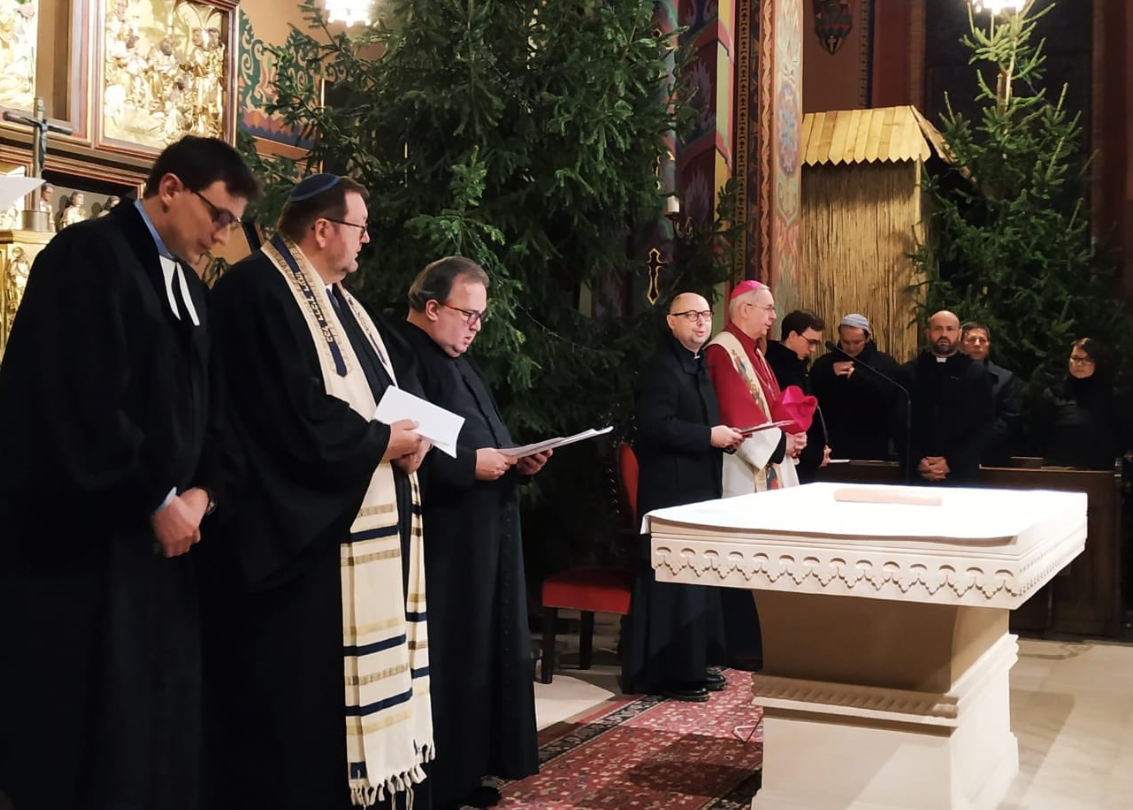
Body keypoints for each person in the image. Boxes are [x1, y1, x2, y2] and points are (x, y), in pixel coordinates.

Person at [0, 135, 258, 810]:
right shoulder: (86, 258)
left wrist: (203, 493)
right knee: (94, 739)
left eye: (231, 224)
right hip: (90, 554)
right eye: (218, 216)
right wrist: (153, 497)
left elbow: (215, 412)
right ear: (170, 189)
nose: (222, 237)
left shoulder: (189, 287)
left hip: (167, 550)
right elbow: (72, 402)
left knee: (156, 734)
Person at [198, 174, 432, 810]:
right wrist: (377, 442)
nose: (366, 241)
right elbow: (285, 413)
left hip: (345, 520)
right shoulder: (257, 290)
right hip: (295, 537)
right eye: (360, 228)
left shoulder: (343, 303)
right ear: (322, 229)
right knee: (297, 711)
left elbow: (382, 394)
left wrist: (413, 437)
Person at [399, 256, 551, 810]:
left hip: (487, 525)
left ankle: (471, 770)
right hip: (446, 535)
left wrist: (518, 459)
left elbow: (484, 433)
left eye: (481, 317)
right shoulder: (403, 354)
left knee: (483, 649)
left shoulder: (456, 358)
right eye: (468, 314)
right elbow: (408, 445)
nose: (476, 327)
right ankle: (440, 783)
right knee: (451, 653)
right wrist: (470, 465)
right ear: (431, 306)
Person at [622, 292, 742, 702]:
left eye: (706, 315)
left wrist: (724, 438)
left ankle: (694, 662)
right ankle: (669, 671)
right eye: (691, 315)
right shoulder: (661, 367)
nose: (701, 322)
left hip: (698, 485)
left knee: (697, 574)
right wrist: (708, 436)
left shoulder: (697, 363)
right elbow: (654, 426)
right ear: (670, 321)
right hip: (670, 488)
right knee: (676, 579)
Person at [705, 280, 807, 495]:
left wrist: (794, 434)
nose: (774, 316)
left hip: (772, 454)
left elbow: (772, 405)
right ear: (745, 309)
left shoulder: (756, 352)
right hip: (742, 469)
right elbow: (737, 414)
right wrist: (782, 444)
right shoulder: (722, 351)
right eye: (768, 308)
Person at [900, 310, 993, 484]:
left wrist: (951, 462)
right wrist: (918, 460)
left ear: (959, 334)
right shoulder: (909, 372)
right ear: (927, 333)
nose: (944, 334)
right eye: (938, 329)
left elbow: (982, 425)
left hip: (961, 472)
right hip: (916, 472)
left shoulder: (976, 373)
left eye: (950, 329)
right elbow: (899, 423)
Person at [810, 313, 903, 461]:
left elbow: (892, 396)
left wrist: (858, 378)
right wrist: (829, 373)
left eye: (857, 342)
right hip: (833, 443)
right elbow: (812, 396)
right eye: (846, 342)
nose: (851, 347)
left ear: (867, 338)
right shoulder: (825, 363)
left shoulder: (885, 364)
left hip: (872, 443)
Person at [765, 308, 830, 481]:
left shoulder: (799, 366)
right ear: (792, 335)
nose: (813, 349)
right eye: (811, 342)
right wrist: (814, 454)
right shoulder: (776, 367)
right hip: (788, 456)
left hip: (805, 455)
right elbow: (791, 420)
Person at [1040, 338, 1123, 470]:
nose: (1080, 364)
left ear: (1097, 363)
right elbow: (1041, 433)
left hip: (1098, 470)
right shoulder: (1053, 393)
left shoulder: (1112, 395)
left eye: (1087, 359)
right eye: (1075, 358)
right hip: (1058, 468)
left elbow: (1121, 436)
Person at [960, 321, 1023, 466]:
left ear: (988, 345)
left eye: (982, 340)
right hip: (952, 454)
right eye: (971, 339)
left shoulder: (1005, 379)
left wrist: (975, 440)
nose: (977, 344)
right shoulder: (949, 375)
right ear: (961, 344)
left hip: (991, 455)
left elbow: (1009, 419)